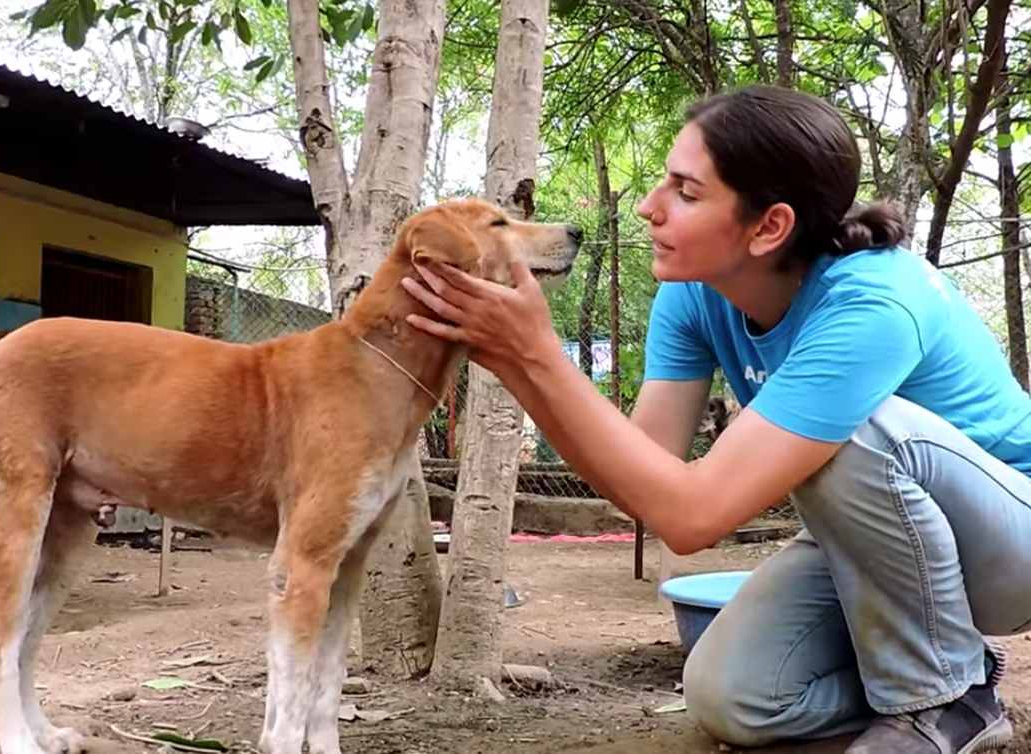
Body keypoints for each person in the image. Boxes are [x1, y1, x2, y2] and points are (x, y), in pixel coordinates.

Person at [400, 84, 1031, 753]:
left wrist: (537, 352)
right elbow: (644, 475)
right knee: (736, 697)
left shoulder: (873, 302)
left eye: (685, 191)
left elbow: (696, 517)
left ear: (769, 228)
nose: (649, 207)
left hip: (1008, 547)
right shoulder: (693, 295)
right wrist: (516, 361)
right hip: (879, 542)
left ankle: (941, 700)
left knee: (858, 433)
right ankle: (954, 676)